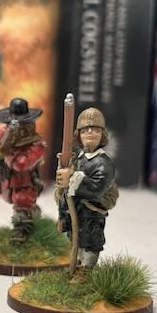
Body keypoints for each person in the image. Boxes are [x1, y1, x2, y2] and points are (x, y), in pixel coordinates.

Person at [56, 107, 117, 270]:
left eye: (95, 130)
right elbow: (65, 191)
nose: (90, 133)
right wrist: (62, 216)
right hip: (74, 210)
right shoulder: (78, 160)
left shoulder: (103, 163)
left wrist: (72, 178)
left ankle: (86, 271)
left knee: (90, 242)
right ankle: (76, 267)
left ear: (102, 135)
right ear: (79, 136)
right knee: (74, 239)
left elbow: (96, 188)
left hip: (92, 213)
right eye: (84, 131)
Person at [0, 98, 46, 244]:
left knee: (23, 200)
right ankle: (31, 212)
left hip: (26, 180)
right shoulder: (1, 134)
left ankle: (21, 229)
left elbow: (22, 164)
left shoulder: (36, 142)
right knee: (13, 198)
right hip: (8, 178)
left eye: (22, 124)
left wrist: (5, 152)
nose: (16, 129)